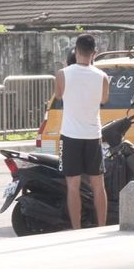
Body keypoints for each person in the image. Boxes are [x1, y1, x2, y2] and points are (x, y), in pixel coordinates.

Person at [54, 34, 109, 230]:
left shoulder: (62, 74)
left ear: (75, 50)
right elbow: (103, 100)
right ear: (94, 53)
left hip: (70, 136)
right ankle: (102, 226)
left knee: (73, 186)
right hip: (94, 135)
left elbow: (59, 95)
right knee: (98, 186)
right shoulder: (102, 77)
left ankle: (77, 229)